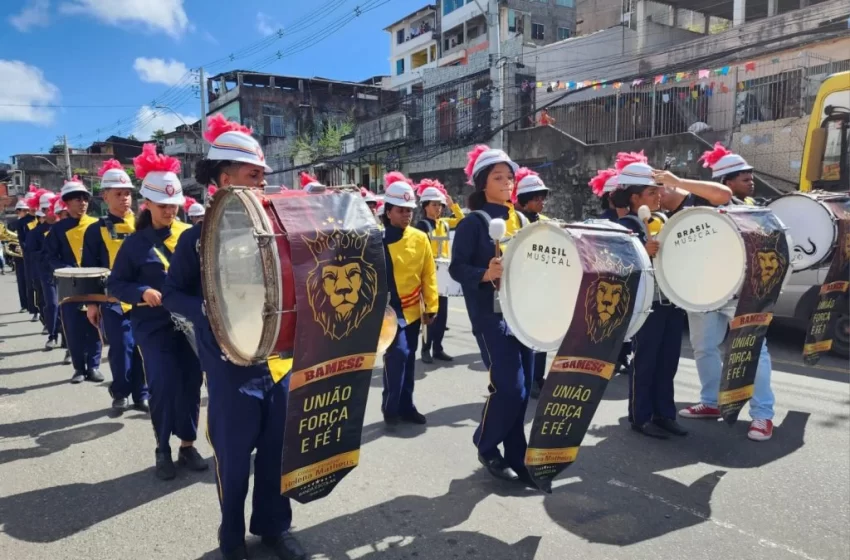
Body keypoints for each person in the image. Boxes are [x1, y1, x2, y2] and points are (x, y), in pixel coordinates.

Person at [161, 114, 307, 560]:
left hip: (277, 363)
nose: (261, 183)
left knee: (276, 457)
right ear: (223, 180)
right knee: (234, 458)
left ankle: (273, 529)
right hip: (228, 368)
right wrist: (207, 310)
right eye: (252, 175)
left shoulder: (279, 228)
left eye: (263, 175)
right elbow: (172, 293)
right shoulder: (196, 238)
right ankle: (230, 537)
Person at [107, 145, 207, 478]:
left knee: (191, 383)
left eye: (174, 205)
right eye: (163, 206)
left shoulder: (191, 235)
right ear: (146, 204)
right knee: (163, 383)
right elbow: (116, 284)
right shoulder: (134, 244)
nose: (170, 212)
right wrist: (141, 291)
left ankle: (187, 445)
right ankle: (162, 447)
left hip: (190, 322)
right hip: (152, 324)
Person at [678, 143, 777, 442]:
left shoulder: (752, 209)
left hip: (741, 293)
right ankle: (711, 402)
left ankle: (763, 416)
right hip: (704, 292)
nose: (752, 183)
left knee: (754, 351)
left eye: (751, 178)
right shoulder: (696, 209)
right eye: (745, 179)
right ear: (726, 182)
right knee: (704, 347)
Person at [449, 144, 531, 483]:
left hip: (525, 314)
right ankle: (485, 444)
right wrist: (485, 273)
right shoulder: (473, 224)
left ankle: (517, 457)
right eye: (499, 177)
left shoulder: (524, 220)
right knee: (509, 388)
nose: (508, 182)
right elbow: (456, 268)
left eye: (510, 177)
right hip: (490, 317)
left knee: (524, 391)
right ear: (483, 183)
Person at [611, 151, 688, 440]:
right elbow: (618, 265)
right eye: (651, 191)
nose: (659, 196)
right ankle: (641, 416)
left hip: (671, 299)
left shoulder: (663, 218)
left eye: (659, 190)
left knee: (668, 361)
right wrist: (645, 251)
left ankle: (664, 414)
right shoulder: (624, 226)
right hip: (647, 304)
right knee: (645, 362)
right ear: (633, 197)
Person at [82, 159, 150, 413]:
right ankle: (120, 390)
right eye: (118, 194)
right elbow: (89, 269)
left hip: (143, 297)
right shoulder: (94, 230)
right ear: (105, 196)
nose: (124, 198)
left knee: (143, 347)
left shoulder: (145, 224)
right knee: (121, 348)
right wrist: (91, 304)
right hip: (111, 300)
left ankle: (141, 394)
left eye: (128, 193)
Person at [381, 172, 439, 426]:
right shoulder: (376, 239)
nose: (406, 215)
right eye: (401, 210)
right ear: (388, 211)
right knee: (398, 357)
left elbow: (429, 273)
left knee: (409, 358)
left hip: (413, 310)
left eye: (410, 210)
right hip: (388, 313)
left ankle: (407, 406)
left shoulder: (420, 237)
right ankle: (390, 408)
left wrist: (432, 304)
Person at [45, 177, 104, 384]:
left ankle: (94, 366)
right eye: (77, 199)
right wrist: (65, 270)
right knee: (72, 326)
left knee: (95, 324)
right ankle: (79, 367)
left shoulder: (97, 224)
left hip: (94, 282)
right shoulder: (58, 229)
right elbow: (50, 256)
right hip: (68, 284)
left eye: (84, 199)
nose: (82, 203)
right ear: (67, 203)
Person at [414, 178, 463, 364]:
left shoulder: (443, 223)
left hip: (443, 275)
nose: (438, 208)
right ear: (425, 206)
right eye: (435, 205)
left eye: (440, 205)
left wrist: (453, 205)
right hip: (429, 275)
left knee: (442, 316)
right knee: (430, 315)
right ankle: (425, 349)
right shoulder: (422, 226)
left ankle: (438, 348)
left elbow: (461, 220)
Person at [511, 168, 551, 398]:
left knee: (543, 335)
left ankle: (537, 377)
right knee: (522, 338)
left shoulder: (547, 222)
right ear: (524, 201)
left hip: (544, 287)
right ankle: (521, 377)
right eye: (537, 198)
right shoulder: (515, 222)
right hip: (521, 289)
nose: (542, 202)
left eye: (543, 197)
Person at [29, 192, 58, 344]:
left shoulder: (62, 228)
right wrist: (48, 253)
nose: (50, 212)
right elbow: (32, 254)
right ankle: (52, 335)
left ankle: (67, 345)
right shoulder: (35, 233)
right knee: (52, 304)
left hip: (64, 273)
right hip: (46, 273)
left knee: (66, 307)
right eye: (47, 209)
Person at [16, 186, 41, 322]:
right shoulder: (22, 222)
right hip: (30, 257)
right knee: (31, 283)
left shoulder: (41, 218)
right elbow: (22, 240)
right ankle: (34, 310)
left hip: (43, 257)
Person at [12, 200, 31, 310]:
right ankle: (24, 304)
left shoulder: (30, 222)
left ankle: (32, 305)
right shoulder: (12, 224)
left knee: (31, 282)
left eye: (27, 210)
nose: (26, 212)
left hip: (29, 255)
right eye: (24, 210)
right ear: (18, 211)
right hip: (19, 256)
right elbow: (7, 240)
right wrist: (15, 247)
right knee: (21, 280)